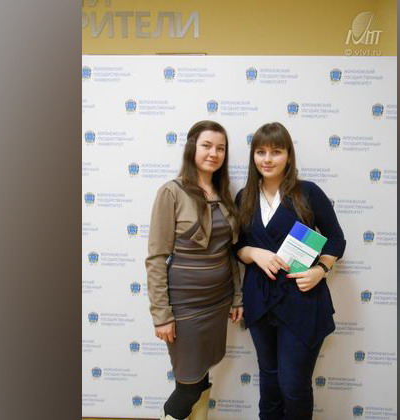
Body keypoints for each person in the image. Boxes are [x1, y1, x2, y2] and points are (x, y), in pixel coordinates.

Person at [234, 122, 346, 420]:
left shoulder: (307, 192)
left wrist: (321, 269)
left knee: (294, 385)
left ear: (288, 155)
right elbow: (237, 247)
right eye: (260, 152)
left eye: (276, 152)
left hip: (302, 300)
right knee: (269, 382)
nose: (267, 159)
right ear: (253, 156)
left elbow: (336, 239)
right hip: (260, 301)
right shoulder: (245, 197)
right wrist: (253, 252)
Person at [146, 120, 243, 420]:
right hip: (184, 307)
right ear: (192, 148)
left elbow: (229, 253)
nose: (214, 153)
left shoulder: (224, 194)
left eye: (221, 148)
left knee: (201, 377)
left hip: (218, 302)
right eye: (207, 146)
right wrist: (162, 315)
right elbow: (156, 258)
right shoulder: (171, 192)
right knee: (187, 385)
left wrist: (237, 297)